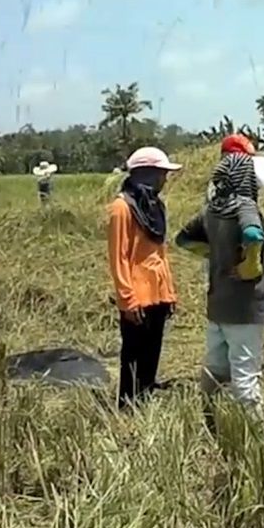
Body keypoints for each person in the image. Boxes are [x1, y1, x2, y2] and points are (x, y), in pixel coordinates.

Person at [176, 152, 264, 416]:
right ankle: (255, 435)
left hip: (217, 302)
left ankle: (209, 419)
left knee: (215, 367)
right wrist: (250, 264)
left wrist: (214, 253)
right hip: (244, 306)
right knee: (245, 374)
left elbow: (183, 239)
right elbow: (253, 233)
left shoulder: (211, 210)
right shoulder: (244, 206)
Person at [107, 146, 183, 409]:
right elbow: (119, 258)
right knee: (133, 357)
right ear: (147, 174)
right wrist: (127, 300)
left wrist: (169, 292)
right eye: (162, 174)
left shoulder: (155, 207)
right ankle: (128, 407)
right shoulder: (122, 208)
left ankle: (146, 401)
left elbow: (160, 255)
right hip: (137, 296)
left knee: (152, 354)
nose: (165, 180)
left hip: (158, 293)